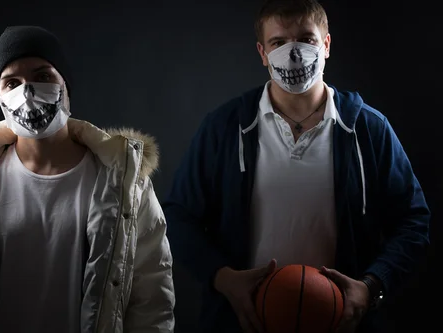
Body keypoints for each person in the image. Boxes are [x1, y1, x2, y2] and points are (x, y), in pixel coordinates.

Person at [162, 0, 430, 332]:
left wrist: (372, 284)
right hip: (243, 323)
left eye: (306, 39)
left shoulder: (369, 129)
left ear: (327, 45)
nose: (294, 52)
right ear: (262, 52)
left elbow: (414, 221)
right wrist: (223, 277)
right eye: (279, 42)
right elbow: (176, 215)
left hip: (343, 324)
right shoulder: (225, 127)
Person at [0, 25, 175, 333]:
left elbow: (152, 298)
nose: (27, 91)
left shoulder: (124, 184)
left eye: (43, 76)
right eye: (12, 82)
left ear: (66, 86)